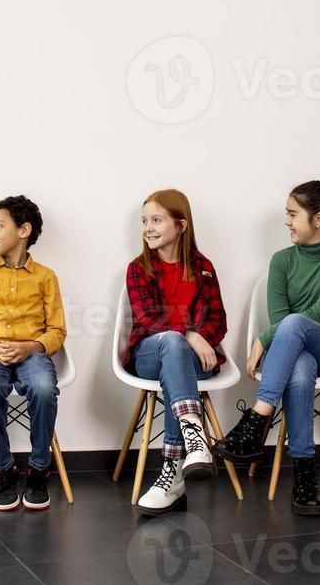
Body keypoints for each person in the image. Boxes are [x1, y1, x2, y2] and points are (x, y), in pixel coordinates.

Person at [213, 181, 320, 516]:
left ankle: (257, 420)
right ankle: (304, 476)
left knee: (296, 327)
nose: (287, 221)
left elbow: (306, 319)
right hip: (301, 353)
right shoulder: (282, 261)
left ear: (319, 219)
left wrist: (264, 338)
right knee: (299, 369)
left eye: (293, 214)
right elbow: (281, 317)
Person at [124, 189, 228, 515]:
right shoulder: (138, 268)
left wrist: (197, 336)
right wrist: (188, 334)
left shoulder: (203, 267)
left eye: (156, 219)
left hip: (191, 361)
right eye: (144, 221)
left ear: (180, 225)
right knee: (172, 343)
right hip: (149, 354)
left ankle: (172, 476)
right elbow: (147, 320)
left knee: (177, 366)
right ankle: (195, 438)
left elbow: (218, 320)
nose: (148, 228)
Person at [0, 195, 66, 512]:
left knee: (44, 388)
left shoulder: (46, 277)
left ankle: (37, 469)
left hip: (32, 353)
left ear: (23, 230)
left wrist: (31, 347)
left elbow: (57, 330)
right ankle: (5, 471)